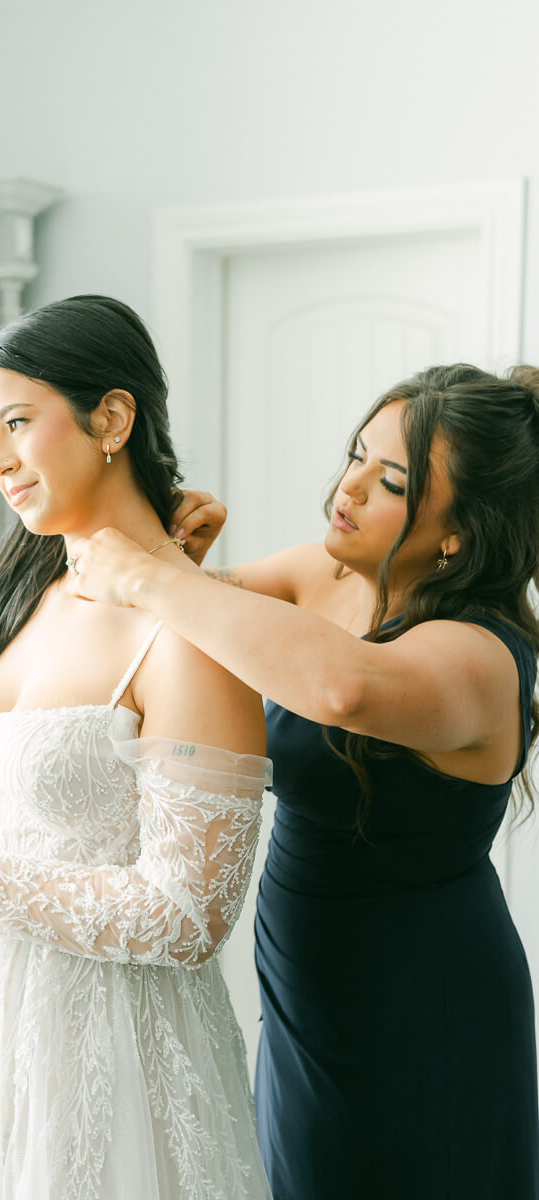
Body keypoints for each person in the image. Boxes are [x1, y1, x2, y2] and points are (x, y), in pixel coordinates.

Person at [0, 295, 275, 1200]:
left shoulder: (192, 632)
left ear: (112, 418)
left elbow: (190, 916)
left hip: (110, 1051)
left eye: (18, 424)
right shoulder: (34, 586)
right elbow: (38, 805)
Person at [64, 362, 539, 1199]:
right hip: (307, 974)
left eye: (389, 480)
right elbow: (176, 620)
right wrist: (176, 562)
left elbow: (342, 688)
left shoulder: (483, 655)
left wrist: (155, 575)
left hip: (426, 995)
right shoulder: (321, 578)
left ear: (460, 531)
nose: (347, 487)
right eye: (357, 454)